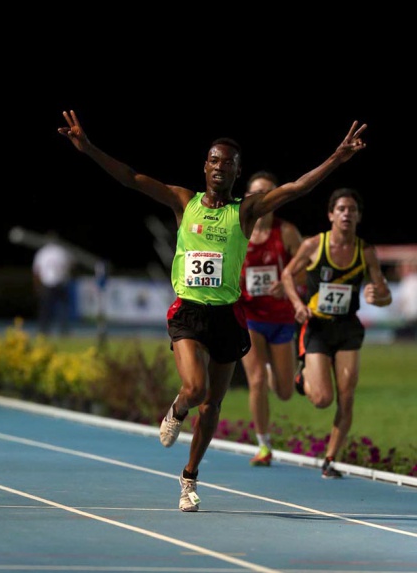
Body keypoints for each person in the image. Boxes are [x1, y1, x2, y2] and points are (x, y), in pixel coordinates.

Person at [58, 110, 367, 511]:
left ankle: (189, 478)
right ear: (205, 166)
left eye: (228, 162)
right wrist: (88, 148)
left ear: (238, 171)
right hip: (188, 311)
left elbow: (296, 188)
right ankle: (177, 408)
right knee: (195, 389)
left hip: (227, 317)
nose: (220, 166)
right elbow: (131, 177)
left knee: (212, 406)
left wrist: (336, 158)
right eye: (214, 160)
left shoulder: (245, 211)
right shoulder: (183, 201)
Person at [281, 188, 392, 479]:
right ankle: (302, 377)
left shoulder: (365, 251)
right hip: (317, 326)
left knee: (346, 395)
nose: (346, 214)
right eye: (341, 209)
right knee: (322, 399)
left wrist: (377, 296)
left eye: (352, 210)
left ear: (359, 217)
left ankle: (330, 459)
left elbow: (385, 296)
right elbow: (287, 275)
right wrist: (297, 305)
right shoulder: (314, 245)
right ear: (331, 214)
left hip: (347, 328)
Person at [239, 171, 304, 466]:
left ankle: (270, 369)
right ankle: (263, 446)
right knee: (256, 381)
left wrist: (287, 283)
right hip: (249, 316)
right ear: (247, 197)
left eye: (267, 192)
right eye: (256, 192)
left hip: (281, 318)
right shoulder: (238, 231)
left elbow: (306, 269)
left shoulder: (286, 232)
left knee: (285, 392)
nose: (262, 198)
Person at [32, 231, 76, 336]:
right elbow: (72, 264)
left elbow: (36, 271)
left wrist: (37, 286)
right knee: (63, 309)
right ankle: (63, 331)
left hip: (48, 284)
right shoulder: (62, 251)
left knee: (46, 309)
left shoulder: (42, 253)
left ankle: (44, 330)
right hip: (61, 283)